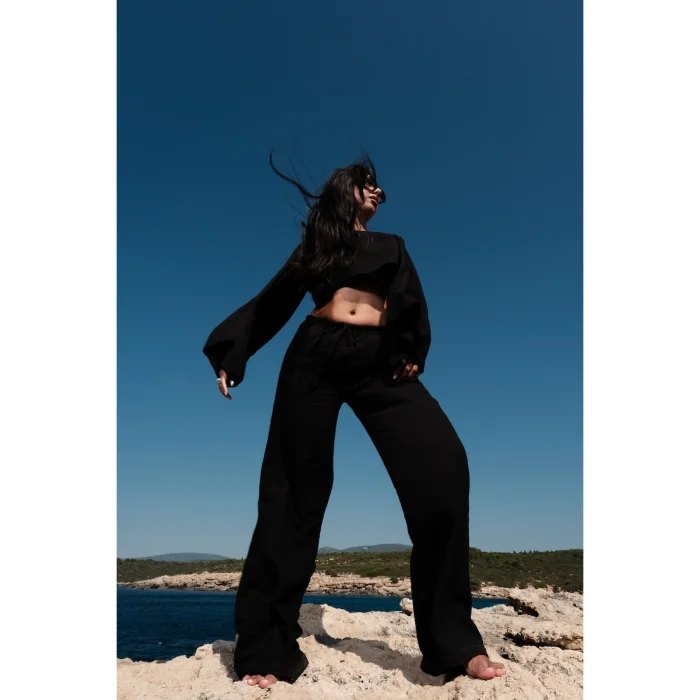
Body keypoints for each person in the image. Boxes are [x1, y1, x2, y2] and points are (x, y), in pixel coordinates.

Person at [202, 152, 507, 688]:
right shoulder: (319, 245)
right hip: (314, 356)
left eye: (380, 187)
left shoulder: (393, 246)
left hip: (379, 361)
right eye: (369, 184)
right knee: (293, 490)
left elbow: (411, 302)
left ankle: (454, 643)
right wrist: (234, 353)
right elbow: (275, 299)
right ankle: (266, 647)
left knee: (443, 468)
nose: (378, 192)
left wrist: (412, 350)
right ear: (347, 188)